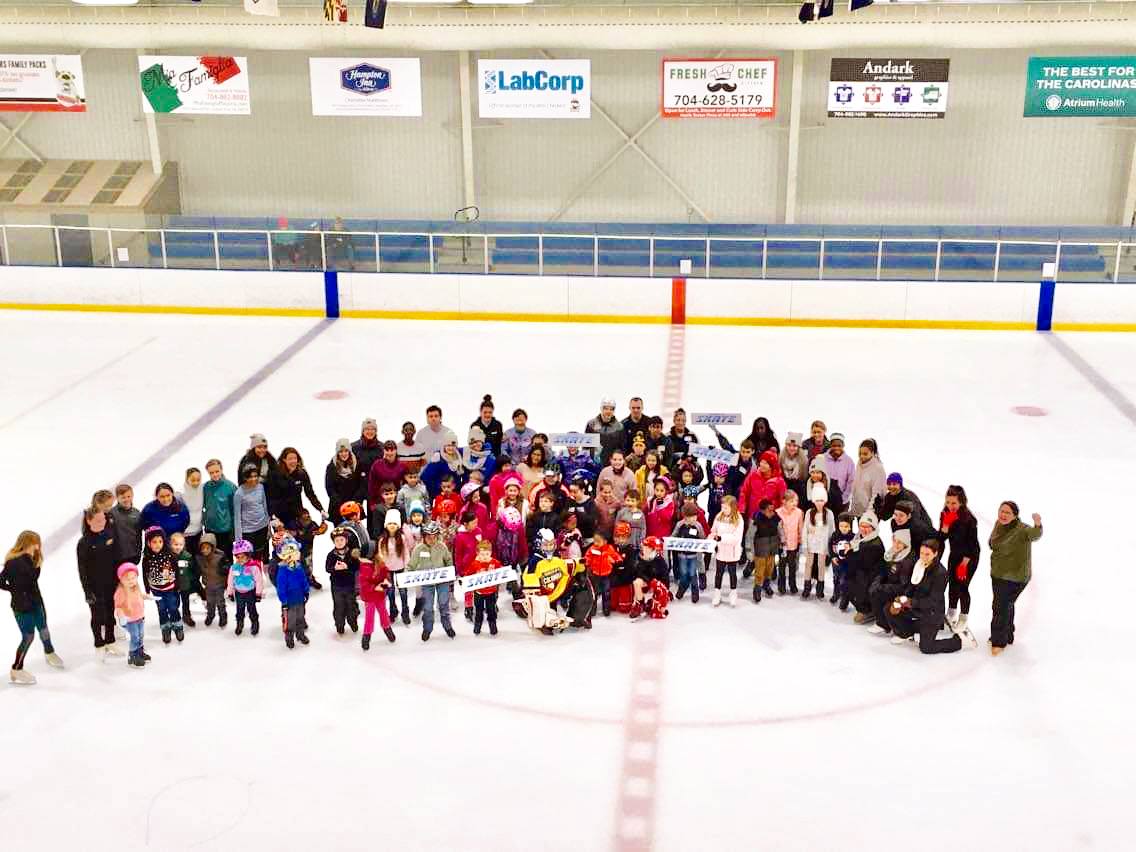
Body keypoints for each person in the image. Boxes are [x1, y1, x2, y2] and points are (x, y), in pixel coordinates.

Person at [886, 539, 975, 654]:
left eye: (927, 554)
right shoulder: (918, 565)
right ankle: (906, 633)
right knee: (889, 608)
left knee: (926, 647)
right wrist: (900, 600)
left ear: (935, 553)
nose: (923, 557)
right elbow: (911, 586)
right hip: (916, 606)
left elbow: (933, 601)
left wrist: (910, 602)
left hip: (932, 612)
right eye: (921, 553)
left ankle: (959, 641)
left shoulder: (940, 573)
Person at [2, 531, 63, 685]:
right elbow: (28, 578)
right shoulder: (15, 561)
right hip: (22, 607)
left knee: (43, 629)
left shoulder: (29, 559)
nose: (38, 546)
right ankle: (16, 669)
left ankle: (49, 652)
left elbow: (31, 580)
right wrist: (13, 590)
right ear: (29, 543)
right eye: (36, 543)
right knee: (28, 636)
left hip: (35, 602)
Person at [988, 501, 1042, 656]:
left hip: (1015, 577)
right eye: (1002, 511)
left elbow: (1035, 534)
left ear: (1015, 515)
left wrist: (1037, 524)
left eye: (1008, 513)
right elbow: (992, 542)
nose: (1003, 515)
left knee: (1000, 607)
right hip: (998, 573)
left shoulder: (1022, 529)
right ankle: (1008, 634)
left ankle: (999, 641)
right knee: (1006, 605)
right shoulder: (998, 524)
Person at [77, 506, 122, 658]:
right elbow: (82, 570)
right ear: (89, 521)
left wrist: (119, 579)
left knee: (110, 614)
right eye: (98, 520)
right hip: (94, 586)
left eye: (103, 519)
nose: (103, 522)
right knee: (97, 616)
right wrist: (87, 591)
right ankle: (99, 643)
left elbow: (116, 557)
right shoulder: (84, 543)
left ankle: (110, 640)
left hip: (111, 582)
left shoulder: (109, 533)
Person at [939, 485, 980, 629]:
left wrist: (964, 564)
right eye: (948, 502)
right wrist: (945, 526)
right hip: (955, 553)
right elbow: (942, 537)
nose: (950, 506)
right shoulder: (945, 513)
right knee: (952, 584)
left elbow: (972, 544)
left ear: (961, 502)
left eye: (954, 503)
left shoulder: (969, 519)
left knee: (962, 586)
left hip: (969, 557)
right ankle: (951, 612)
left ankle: (963, 618)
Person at [408, 521, 455, 641]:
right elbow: (411, 566)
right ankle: (427, 629)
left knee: (444, 604)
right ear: (424, 536)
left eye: (434, 537)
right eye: (429, 537)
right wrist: (406, 578)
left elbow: (449, 561)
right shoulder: (418, 549)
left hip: (442, 581)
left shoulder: (442, 546)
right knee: (428, 607)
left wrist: (450, 575)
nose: (432, 539)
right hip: (427, 583)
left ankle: (447, 626)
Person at [867, 527, 916, 637]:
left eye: (900, 542)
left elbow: (903, 586)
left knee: (878, 594)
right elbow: (884, 571)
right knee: (873, 590)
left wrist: (882, 587)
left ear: (906, 544)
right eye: (895, 541)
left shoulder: (906, 561)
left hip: (901, 592)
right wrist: (877, 582)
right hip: (890, 585)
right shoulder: (892, 553)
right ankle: (882, 622)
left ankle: (884, 625)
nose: (896, 544)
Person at [266, 447, 326, 531]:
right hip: (279, 516)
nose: (293, 461)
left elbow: (310, 494)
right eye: (290, 459)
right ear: (284, 460)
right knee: (284, 543)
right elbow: (270, 497)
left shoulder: (301, 474)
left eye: (295, 458)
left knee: (300, 540)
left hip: (297, 514)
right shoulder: (275, 474)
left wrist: (321, 509)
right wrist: (272, 516)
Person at [141, 526, 182, 644]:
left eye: (160, 541)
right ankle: (165, 628)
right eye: (154, 542)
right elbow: (145, 574)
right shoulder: (147, 559)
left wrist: (177, 585)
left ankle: (177, 626)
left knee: (173, 607)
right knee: (162, 609)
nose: (158, 544)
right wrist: (147, 588)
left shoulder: (169, 555)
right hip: (156, 590)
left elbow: (176, 570)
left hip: (170, 588)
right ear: (148, 543)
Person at [848, 511, 887, 624]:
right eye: (861, 526)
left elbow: (861, 563)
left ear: (873, 527)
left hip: (872, 576)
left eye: (867, 527)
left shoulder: (874, 544)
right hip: (865, 572)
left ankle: (867, 611)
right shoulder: (860, 539)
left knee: (855, 583)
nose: (864, 529)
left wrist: (848, 553)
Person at [275, 537, 311, 648]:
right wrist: (284, 601)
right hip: (289, 602)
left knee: (300, 617)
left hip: (300, 598)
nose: (299, 554)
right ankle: (289, 637)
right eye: (296, 552)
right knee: (290, 621)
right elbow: (281, 588)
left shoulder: (298, 567)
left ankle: (300, 634)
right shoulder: (282, 571)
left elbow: (303, 579)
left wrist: (306, 591)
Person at [801, 483, 835, 601]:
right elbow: (805, 529)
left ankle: (820, 588)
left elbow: (832, 530)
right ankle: (806, 587)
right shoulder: (809, 513)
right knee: (808, 565)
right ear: (813, 500)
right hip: (811, 544)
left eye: (821, 500)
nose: (819, 503)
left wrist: (830, 547)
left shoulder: (829, 514)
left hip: (823, 546)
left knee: (821, 566)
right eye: (817, 500)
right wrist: (804, 544)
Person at [377, 510, 411, 625]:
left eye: (395, 523)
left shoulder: (401, 538)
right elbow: (380, 554)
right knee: (390, 592)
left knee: (403, 591)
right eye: (390, 523)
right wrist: (382, 568)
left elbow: (406, 553)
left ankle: (405, 612)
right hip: (388, 570)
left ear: (398, 525)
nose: (392, 526)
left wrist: (407, 566)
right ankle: (393, 610)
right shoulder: (382, 540)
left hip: (400, 568)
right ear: (386, 525)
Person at [114, 563, 150, 668]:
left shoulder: (136, 588)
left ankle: (140, 652)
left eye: (133, 578)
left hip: (140, 617)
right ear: (121, 579)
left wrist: (147, 597)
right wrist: (122, 616)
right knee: (135, 637)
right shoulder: (120, 591)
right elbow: (118, 606)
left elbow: (140, 596)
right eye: (127, 579)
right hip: (129, 620)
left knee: (141, 635)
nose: (131, 581)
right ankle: (132, 656)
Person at [226, 538, 265, 638]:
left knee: (252, 609)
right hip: (239, 593)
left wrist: (258, 593)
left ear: (248, 556)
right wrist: (230, 592)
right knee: (240, 609)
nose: (240, 560)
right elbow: (230, 580)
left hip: (250, 592)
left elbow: (259, 580)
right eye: (237, 557)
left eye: (242, 557)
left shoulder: (253, 567)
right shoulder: (234, 567)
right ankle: (240, 623)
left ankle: (255, 622)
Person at [711, 495, 744, 608]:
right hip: (721, 551)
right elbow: (713, 531)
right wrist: (712, 538)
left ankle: (733, 593)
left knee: (732, 573)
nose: (723, 510)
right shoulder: (719, 516)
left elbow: (736, 538)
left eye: (726, 508)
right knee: (718, 573)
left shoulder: (738, 519)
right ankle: (717, 593)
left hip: (732, 552)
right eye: (722, 507)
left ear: (733, 507)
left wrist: (721, 538)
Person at [326, 527, 361, 635]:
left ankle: (353, 622)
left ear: (346, 540)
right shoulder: (331, 555)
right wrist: (334, 568)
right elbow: (327, 568)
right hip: (337, 586)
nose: (339, 542)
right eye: (337, 541)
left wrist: (348, 566)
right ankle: (339, 624)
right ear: (333, 542)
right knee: (339, 606)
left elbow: (357, 566)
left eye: (342, 540)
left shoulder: (352, 553)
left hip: (350, 585)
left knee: (351, 605)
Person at [233, 464, 271, 560]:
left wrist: (268, 526)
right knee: (250, 559)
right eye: (250, 477)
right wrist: (238, 540)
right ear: (245, 477)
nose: (253, 479)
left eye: (255, 476)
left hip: (262, 527)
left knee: (262, 556)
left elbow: (264, 506)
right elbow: (237, 517)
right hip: (248, 531)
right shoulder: (239, 493)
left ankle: (261, 574)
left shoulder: (261, 487)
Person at [359, 556, 396, 650]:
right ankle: (366, 636)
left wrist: (385, 584)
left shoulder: (381, 564)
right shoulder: (364, 567)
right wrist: (374, 587)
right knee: (369, 617)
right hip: (369, 597)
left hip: (380, 595)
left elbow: (387, 576)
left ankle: (387, 629)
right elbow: (363, 584)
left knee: (383, 613)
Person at [202, 460, 237, 558]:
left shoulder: (230, 487)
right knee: (211, 556)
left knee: (226, 557)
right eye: (211, 473)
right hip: (210, 529)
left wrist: (234, 531)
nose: (214, 474)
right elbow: (204, 505)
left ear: (221, 470)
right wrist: (205, 521)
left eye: (217, 471)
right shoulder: (206, 487)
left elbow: (235, 510)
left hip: (225, 530)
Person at [326, 438, 365, 523]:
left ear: (349, 451)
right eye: (341, 451)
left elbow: (362, 485)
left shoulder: (358, 464)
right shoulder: (331, 467)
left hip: (354, 506)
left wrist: (355, 501)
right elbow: (330, 488)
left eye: (346, 451)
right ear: (337, 453)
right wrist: (341, 503)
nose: (344, 454)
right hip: (338, 507)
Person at [469, 540, 503, 635]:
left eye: (487, 554)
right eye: (482, 554)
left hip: (491, 592)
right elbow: (468, 575)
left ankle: (492, 625)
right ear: (477, 553)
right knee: (478, 611)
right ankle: (477, 625)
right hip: (479, 593)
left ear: (491, 553)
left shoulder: (495, 563)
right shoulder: (475, 564)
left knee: (491, 610)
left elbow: (502, 572)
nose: (484, 556)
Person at [749, 499, 781, 603]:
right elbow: (751, 535)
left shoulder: (775, 518)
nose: (772, 512)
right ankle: (757, 588)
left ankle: (766, 584)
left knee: (770, 567)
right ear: (762, 511)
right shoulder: (756, 519)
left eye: (773, 509)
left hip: (772, 546)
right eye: (769, 510)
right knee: (760, 569)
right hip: (760, 547)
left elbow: (780, 529)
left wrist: (781, 542)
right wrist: (751, 552)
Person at [197, 533, 228, 629]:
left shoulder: (220, 556)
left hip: (219, 584)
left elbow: (227, 567)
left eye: (207, 548)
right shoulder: (200, 558)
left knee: (220, 601)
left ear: (213, 547)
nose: (205, 550)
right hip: (208, 584)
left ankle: (223, 616)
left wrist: (225, 569)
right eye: (203, 548)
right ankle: (211, 615)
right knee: (210, 602)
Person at [170, 532, 201, 628]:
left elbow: (194, 570)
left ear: (184, 545)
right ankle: (174, 617)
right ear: (171, 544)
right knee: (173, 602)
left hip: (185, 584)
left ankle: (186, 616)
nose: (178, 547)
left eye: (180, 545)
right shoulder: (168, 557)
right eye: (175, 545)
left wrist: (192, 579)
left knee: (185, 601)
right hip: (172, 585)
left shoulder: (187, 556)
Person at [849, 439, 886, 517]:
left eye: (865, 454)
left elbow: (877, 494)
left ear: (872, 453)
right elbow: (856, 486)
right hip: (858, 509)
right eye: (860, 454)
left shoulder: (878, 468)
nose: (862, 456)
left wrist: (870, 513)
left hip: (870, 513)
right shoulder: (859, 464)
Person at [776, 490, 803, 595]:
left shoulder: (799, 512)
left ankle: (793, 585)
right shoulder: (778, 512)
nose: (794, 503)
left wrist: (800, 541)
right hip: (782, 545)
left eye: (795, 501)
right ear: (784, 501)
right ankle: (781, 585)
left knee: (792, 566)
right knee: (782, 566)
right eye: (791, 501)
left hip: (794, 544)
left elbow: (800, 528)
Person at [828, 513, 856, 608]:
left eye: (846, 526)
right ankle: (836, 594)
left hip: (846, 564)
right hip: (836, 562)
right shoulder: (835, 535)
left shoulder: (853, 537)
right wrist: (833, 557)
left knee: (844, 581)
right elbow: (830, 547)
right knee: (836, 579)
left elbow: (854, 551)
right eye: (841, 526)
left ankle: (844, 599)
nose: (843, 528)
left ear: (850, 526)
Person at [586, 397, 625, 464]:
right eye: (606, 408)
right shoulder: (591, 424)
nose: (608, 411)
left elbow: (622, 448)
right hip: (594, 463)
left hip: (613, 465)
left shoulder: (619, 427)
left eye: (611, 409)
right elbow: (586, 447)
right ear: (601, 409)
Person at [111, 483, 143, 566]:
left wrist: (139, 551)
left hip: (133, 555)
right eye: (123, 497)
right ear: (117, 498)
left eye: (128, 496)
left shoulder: (137, 513)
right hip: (116, 556)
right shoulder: (111, 514)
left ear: (132, 496)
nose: (126, 499)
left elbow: (139, 534)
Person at [821, 433, 854, 514]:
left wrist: (843, 499)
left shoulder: (849, 461)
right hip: (825, 500)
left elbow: (851, 481)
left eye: (839, 446)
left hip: (842, 501)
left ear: (843, 446)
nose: (836, 448)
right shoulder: (822, 458)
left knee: (841, 525)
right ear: (830, 445)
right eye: (834, 445)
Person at [352, 418, 384, 499]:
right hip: (357, 488)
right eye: (367, 429)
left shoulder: (382, 447)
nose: (370, 431)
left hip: (375, 487)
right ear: (362, 431)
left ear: (376, 431)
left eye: (372, 429)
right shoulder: (353, 447)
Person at [779, 432, 809, 507]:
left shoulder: (803, 460)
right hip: (785, 485)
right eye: (789, 445)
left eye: (795, 446)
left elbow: (804, 477)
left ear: (799, 447)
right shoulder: (781, 458)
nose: (791, 448)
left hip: (799, 487)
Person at [180, 467, 205, 557]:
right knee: (187, 558)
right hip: (185, 533)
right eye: (193, 480)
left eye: (198, 480)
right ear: (187, 479)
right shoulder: (180, 493)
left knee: (198, 558)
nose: (196, 483)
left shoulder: (203, 488)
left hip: (198, 531)